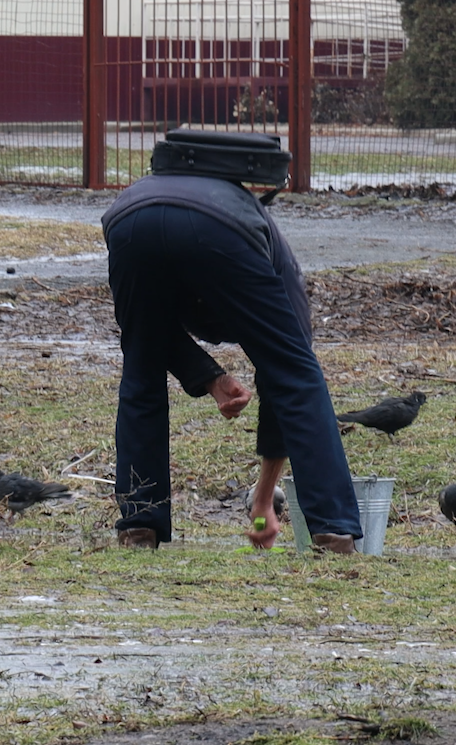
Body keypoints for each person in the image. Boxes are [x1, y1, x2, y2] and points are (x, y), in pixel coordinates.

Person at [101, 129, 362, 554]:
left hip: (130, 219)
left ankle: (138, 528)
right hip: (209, 229)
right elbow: (290, 379)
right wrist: (263, 497)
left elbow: (149, 331)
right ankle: (333, 532)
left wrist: (210, 378)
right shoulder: (274, 260)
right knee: (296, 371)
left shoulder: (225, 230)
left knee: (140, 368)